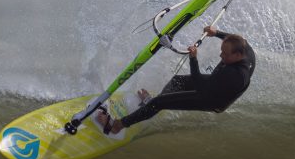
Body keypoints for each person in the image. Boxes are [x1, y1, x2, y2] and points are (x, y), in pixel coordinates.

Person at [96, 26, 255, 134]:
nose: (221, 55)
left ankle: (117, 125)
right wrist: (216, 33)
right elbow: (235, 39)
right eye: (222, 51)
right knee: (176, 81)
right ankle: (156, 103)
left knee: (158, 103)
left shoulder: (234, 76)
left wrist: (193, 59)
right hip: (215, 84)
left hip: (211, 99)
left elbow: (200, 87)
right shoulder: (244, 49)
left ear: (238, 55)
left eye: (225, 54)